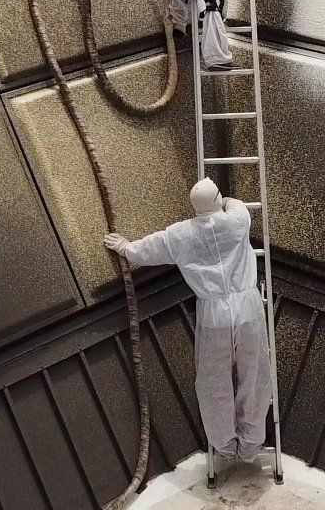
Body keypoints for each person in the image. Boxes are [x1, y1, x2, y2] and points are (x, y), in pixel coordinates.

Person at [105, 179, 270, 465]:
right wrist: (222, 200)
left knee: (212, 380)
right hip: (247, 308)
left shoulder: (181, 234)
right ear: (218, 200)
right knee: (254, 375)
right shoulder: (238, 219)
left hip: (213, 312)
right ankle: (251, 443)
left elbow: (148, 249)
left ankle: (225, 446)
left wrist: (125, 248)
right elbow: (234, 203)